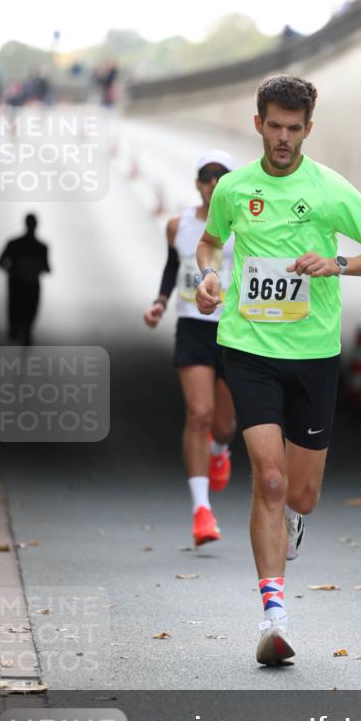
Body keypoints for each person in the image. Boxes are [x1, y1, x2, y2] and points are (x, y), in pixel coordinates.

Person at [195, 75, 361, 665]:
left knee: (302, 495)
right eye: (274, 126)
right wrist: (207, 279)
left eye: (294, 128)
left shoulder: (332, 190)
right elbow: (210, 244)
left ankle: (290, 520)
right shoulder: (235, 188)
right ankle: (273, 615)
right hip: (248, 347)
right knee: (271, 477)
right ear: (257, 122)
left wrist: (337, 262)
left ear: (308, 129)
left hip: (313, 354)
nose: (283, 138)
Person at [143, 152, 237, 547]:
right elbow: (172, 265)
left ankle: (220, 451)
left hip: (235, 330)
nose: (214, 184)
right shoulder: (178, 225)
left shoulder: (246, 225)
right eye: (207, 177)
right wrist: (161, 302)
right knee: (198, 413)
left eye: (222, 177)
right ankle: (202, 511)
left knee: (224, 425)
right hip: (193, 327)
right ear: (197, 183)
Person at [0, 214, 51, 345]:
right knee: (29, 312)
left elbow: (0, 263)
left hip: (17, 285)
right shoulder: (41, 247)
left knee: (17, 311)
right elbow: (47, 268)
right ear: (36, 225)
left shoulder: (14, 244)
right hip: (31, 286)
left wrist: (13, 270)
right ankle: (24, 333)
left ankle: (19, 333)